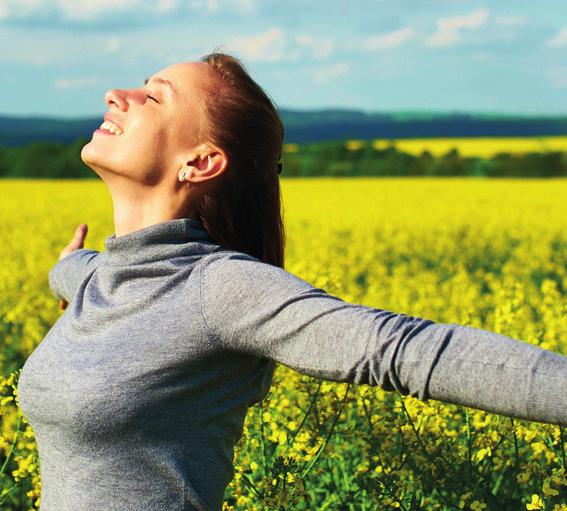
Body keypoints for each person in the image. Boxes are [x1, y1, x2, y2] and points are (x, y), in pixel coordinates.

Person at [17, 50, 567, 511]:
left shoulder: (221, 291)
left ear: (202, 162)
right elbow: (78, 269)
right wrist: (65, 270)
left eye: (154, 96)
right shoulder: (102, 276)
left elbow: (401, 351)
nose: (117, 94)